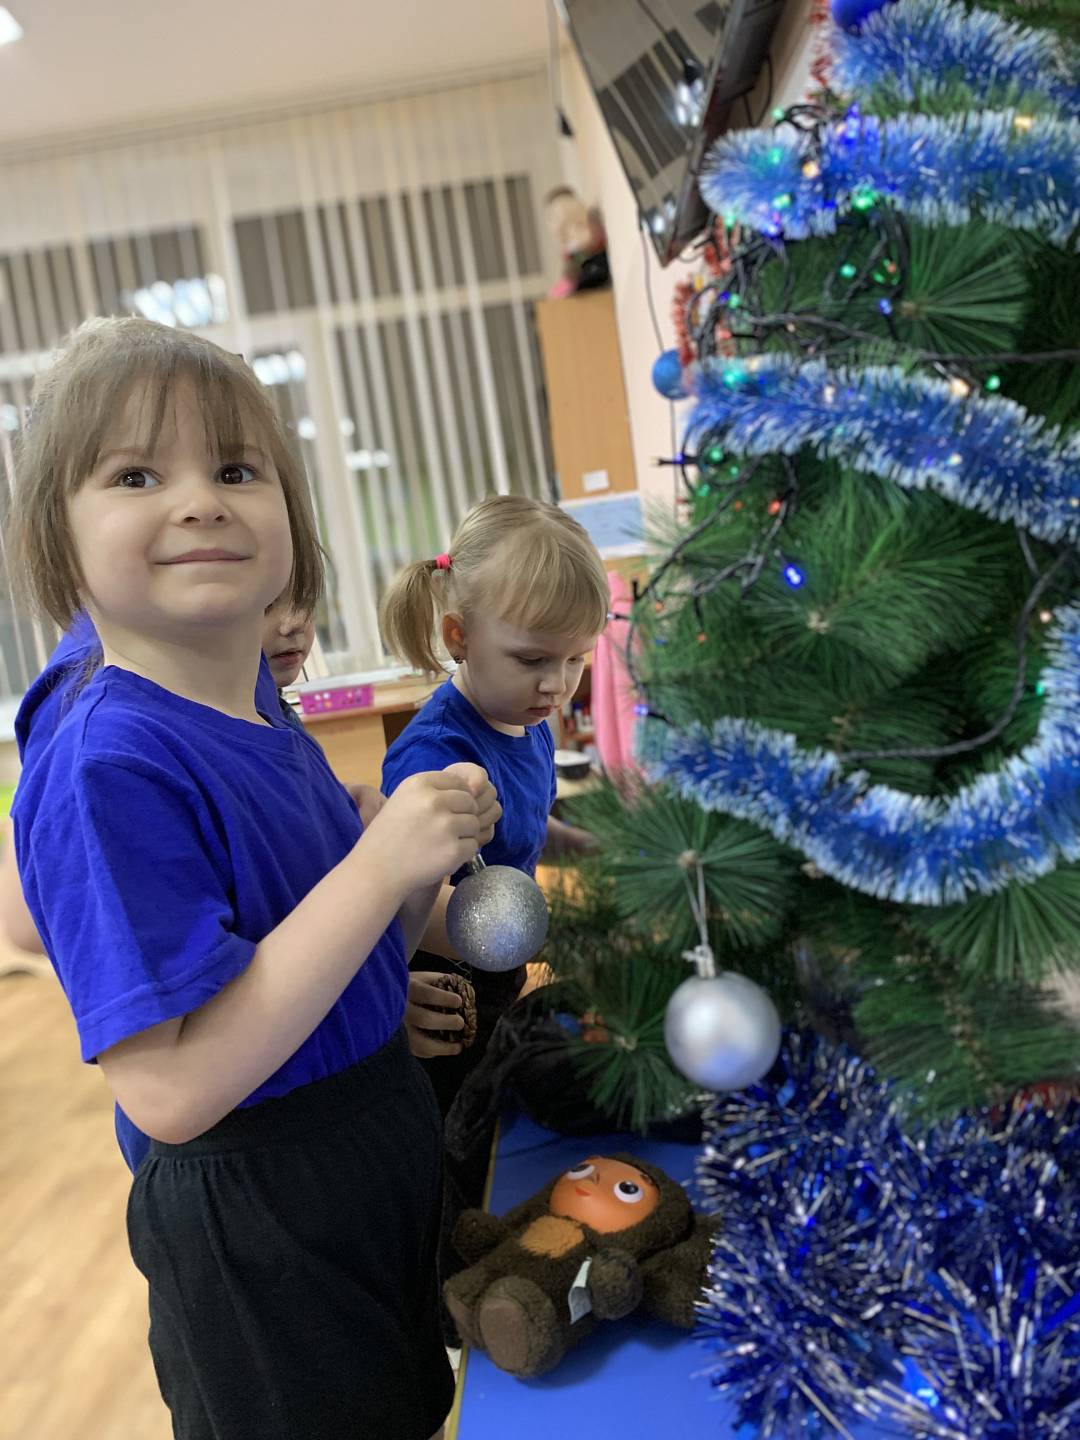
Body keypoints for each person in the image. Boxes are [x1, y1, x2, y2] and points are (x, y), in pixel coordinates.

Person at [9, 315, 500, 1440]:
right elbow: (172, 1093)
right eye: (137, 475)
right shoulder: (107, 764)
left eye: (236, 469)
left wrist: (401, 906)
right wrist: (378, 868)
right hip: (264, 1219)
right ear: (56, 541)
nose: (199, 501)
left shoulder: (265, 716)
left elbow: (304, 951)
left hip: (367, 1147)